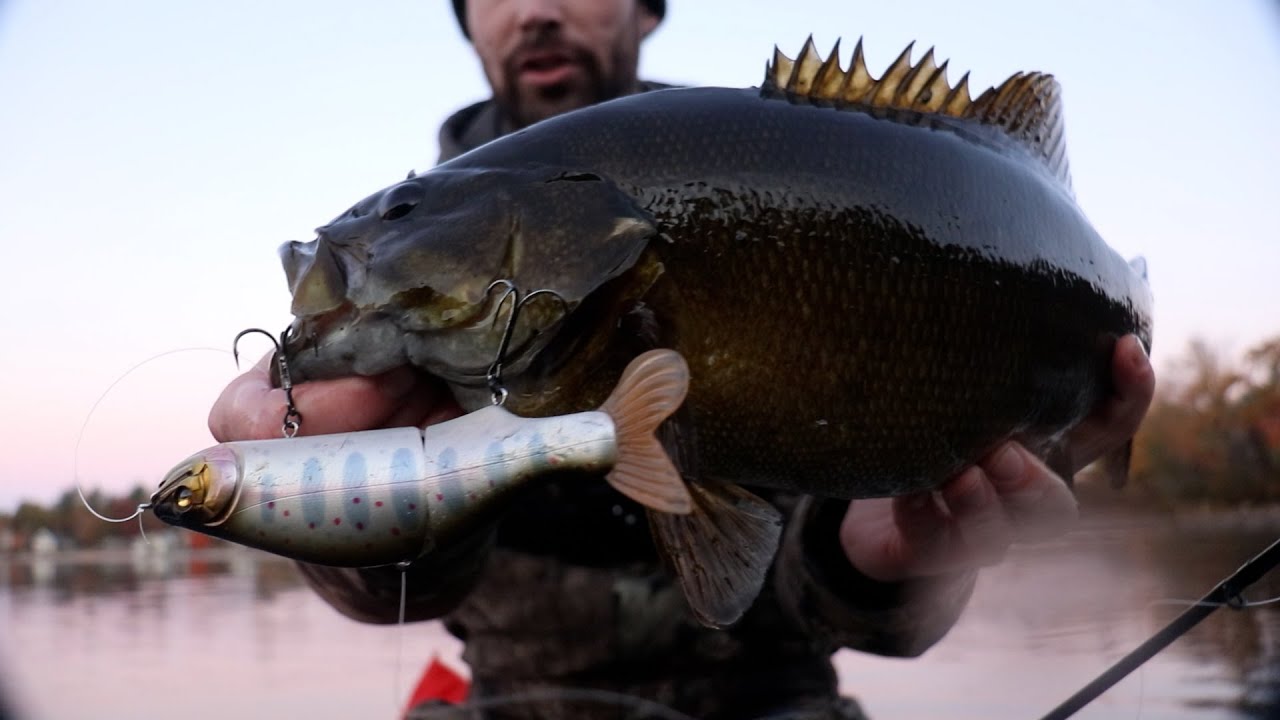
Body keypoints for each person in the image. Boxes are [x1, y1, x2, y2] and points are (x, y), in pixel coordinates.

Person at [210, 1, 1157, 718]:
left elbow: (844, 599)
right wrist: (342, 504)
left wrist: (884, 564)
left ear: (644, 8)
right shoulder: (419, 315)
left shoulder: (742, 153)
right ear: (468, 23)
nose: (538, 8)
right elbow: (393, 599)